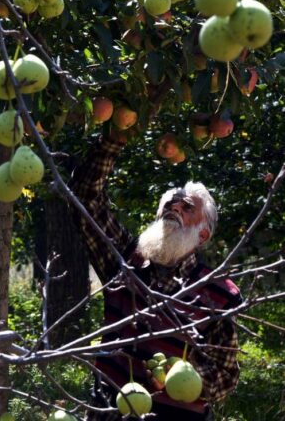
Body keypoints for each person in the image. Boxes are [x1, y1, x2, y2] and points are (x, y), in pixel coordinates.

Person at [69, 131, 242, 420]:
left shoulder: (220, 294)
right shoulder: (124, 261)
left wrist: (178, 373)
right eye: (169, 206)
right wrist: (117, 133)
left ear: (203, 234)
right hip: (110, 412)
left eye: (187, 207)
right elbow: (85, 198)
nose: (175, 208)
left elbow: (225, 378)